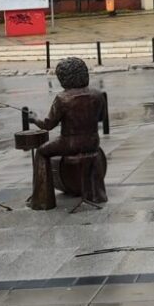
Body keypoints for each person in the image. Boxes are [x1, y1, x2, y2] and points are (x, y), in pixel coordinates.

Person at [28, 57, 107, 206]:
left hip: (70, 144)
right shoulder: (98, 95)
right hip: (92, 142)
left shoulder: (62, 98)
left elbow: (48, 124)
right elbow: (101, 118)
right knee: (88, 148)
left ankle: (42, 200)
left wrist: (34, 119)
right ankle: (98, 195)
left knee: (41, 152)